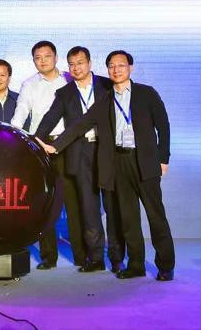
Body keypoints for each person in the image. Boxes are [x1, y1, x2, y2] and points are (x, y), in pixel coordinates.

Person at [40, 50, 175, 281]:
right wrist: (55, 146)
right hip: (119, 162)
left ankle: (165, 265)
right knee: (128, 219)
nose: (116, 70)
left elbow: (163, 126)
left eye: (120, 65)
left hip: (145, 161)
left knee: (156, 216)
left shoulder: (146, 93)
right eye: (111, 66)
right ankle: (135, 265)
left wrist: (163, 158)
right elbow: (81, 124)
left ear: (130, 67)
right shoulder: (106, 99)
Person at [35, 46, 125, 273]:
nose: (76, 68)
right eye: (72, 64)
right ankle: (95, 258)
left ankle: (116, 257)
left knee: (113, 208)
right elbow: (50, 119)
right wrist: (35, 140)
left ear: (89, 63)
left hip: (108, 152)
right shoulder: (65, 93)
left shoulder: (107, 85)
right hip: (80, 153)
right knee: (89, 208)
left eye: (80, 63)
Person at [11, 40, 86, 269]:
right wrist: (13, 132)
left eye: (47, 56)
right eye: (37, 57)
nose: (42, 61)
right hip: (41, 146)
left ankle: (81, 256)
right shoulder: (29, 84)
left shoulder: (70, 80)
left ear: (55, 57)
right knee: (44, 202)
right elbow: (21, 110)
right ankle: (48, 256)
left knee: (73, 202)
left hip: (69, 144)